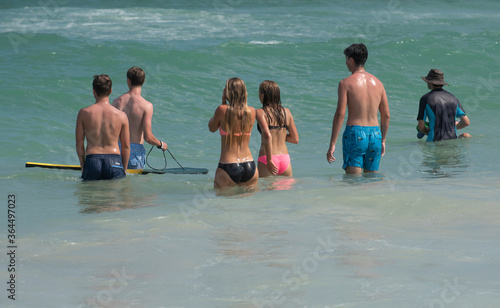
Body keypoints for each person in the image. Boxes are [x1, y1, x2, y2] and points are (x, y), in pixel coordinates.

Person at [326, 43, 390, 174]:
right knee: (371, 180)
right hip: (375, 134)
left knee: (353, 182)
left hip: (355, 133)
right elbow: (386, 116)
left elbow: (340, 115)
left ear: (351, 60)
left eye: (346, 60)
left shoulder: (345, 83)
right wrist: (383, 140)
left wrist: (332, 144)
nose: (346, 63)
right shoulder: (378, 83)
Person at [76, 75, 130, 181]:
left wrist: (83, 166)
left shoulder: (84, 113)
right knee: (114, 197)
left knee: (89, 197)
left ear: (93, 91)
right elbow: (126, 146)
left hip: (92, 161)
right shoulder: (121, 115)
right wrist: (124, 168)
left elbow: (79, 144)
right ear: (110, 91)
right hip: (114, 161)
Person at [112, 66, 168, 170]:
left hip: (117, 150)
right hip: (135, 153)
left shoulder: (116, 102)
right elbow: (148, 137)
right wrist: (161, 144)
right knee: (133, 185)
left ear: (128, 81)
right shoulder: (146, 106)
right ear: (143, 81)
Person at [208, 77, 258, 188]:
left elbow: (211, 128)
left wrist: (222, 103)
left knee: (222, 204)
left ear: (227, 92)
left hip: (228, 165)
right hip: (250, 166)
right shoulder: (252, 111)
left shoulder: (221, 109)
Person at [256, 80, 299, 177]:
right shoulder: (286, 112)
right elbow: (295, 139)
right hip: (285, 159)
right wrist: (281, 135)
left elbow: (267, 135)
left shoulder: (260, 112)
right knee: (286, 191)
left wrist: (269, 160)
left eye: (259, 93)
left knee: (267, 191)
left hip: (267, 158)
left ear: (263, 95)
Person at [417, 69, 470, 141]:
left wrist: (428, 132)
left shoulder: (425, 98)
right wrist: (449, 128)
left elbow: (421, 127)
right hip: (452, 142)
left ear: (430, 82)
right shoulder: (453, 98)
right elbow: (466, 122)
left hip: (434, 142)